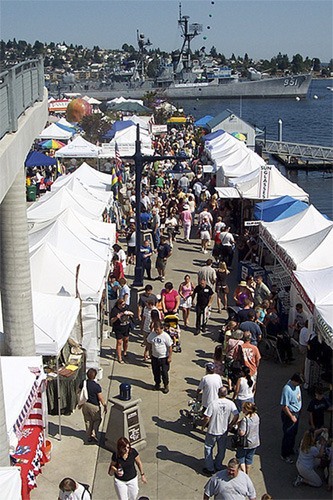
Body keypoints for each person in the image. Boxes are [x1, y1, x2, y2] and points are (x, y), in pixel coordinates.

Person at [202, 386, 239, 475]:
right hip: (223, 431)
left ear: (218, 393)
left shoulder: (213, 403)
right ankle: (218, 465)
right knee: (221, 449)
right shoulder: (230, 404)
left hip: (212, 430)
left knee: (208, 448)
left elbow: (207, 417)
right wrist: (231, 425)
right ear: (226, 394)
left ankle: (210, 468)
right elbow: (236, 415)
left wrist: (203, 425)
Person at [79, 368, 107, 443]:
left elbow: (78, 392)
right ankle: (94, 433)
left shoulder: (83, 383)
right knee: (97, 420)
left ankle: (88, 436)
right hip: (94, 406)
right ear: (95, 376)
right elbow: (100, 397)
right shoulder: (96, 386)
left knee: (88, 420)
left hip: (85, 404)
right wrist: (104, 405)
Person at [280, 372, 303, 463]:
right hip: (290, 414)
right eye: (298, 383)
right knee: (288, 434)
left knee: (294, 433)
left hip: (297, 412)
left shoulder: (296, 386)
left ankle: (291, 449)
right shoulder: (287, 389)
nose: (299, 385)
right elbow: (284, 406)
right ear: (294, 380)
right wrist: (291, 416)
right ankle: (285, 454)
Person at [147, 320, 173, 394]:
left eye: (157, 329)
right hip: (155, 357)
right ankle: (157, 384)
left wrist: (170, 357)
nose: (156, 331)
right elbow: (149, 343)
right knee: (155, 371)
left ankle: (166, 385)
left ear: (162, 328)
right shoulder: (152, 335)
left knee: (164, 372)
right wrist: (148, 352)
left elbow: (170, 347)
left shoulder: (165, 336)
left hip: (164, 357)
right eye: (155, 329)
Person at [235, 402, 260, 475]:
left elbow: (242, 433)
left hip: (245, 443)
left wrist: (239, 428)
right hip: (255, 441)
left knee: (241, 458)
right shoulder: (256, 416)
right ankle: (247, 473)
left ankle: (244, 474)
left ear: (246, 409)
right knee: (249, 458)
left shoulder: (245, 419)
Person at [110, 298, 134, 364]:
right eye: (122, 304)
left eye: (124, 304)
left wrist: (129, 314)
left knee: (126, 340)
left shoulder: (126, 307)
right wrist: (116, 317)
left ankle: (125, 351)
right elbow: (111, 321)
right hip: (118, 328)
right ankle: (119, 357)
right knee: (119, 342)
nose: (124, 305)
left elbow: (132, 314)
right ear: (119, 304)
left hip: (126, 326)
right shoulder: (114, 310)